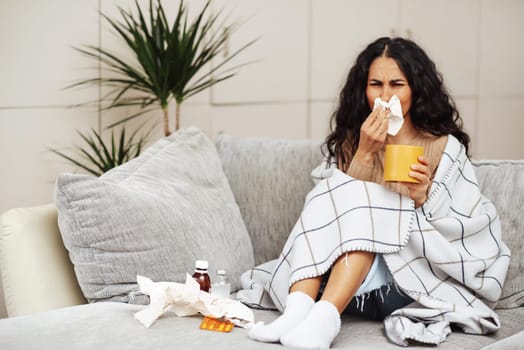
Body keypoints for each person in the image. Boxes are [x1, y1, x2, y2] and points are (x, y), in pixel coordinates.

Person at [245, 37, 507, 349]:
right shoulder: (351, 142)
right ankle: (299, 312)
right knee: (331, 191)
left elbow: (465, 225)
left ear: (415, 89)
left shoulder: (442, 147)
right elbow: (326, 219)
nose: (385, 96)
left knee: (375, 202)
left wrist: (424, 197)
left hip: (406, 282)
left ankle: (322, 317)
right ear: (363, 90)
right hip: (345, 284)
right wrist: (364, 155)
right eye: (375, 84)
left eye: (397, 84)